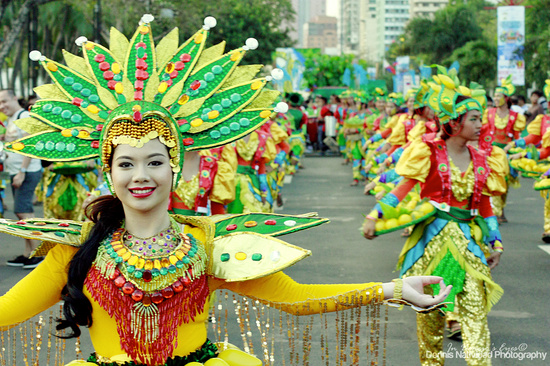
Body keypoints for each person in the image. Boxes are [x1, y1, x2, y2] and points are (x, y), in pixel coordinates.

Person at [0, 16, 451, 366]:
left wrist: (391, 288)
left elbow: (294, 298)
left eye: (155, 162)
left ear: (175, 168)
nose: (141, 175)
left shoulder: (207, 242)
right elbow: (6, 312)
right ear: (110, 173)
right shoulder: (76, 250)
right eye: (126, 164)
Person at [363, 71, 505, 366]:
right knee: (431, 320)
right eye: (474, 119)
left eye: (481, 118)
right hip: (434, 246)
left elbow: (485, 205)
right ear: (454, 122)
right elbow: (401, 190)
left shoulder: (481, 160)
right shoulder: (428, 151)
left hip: (468, 246)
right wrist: (374, 216)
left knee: (476, 313)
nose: (481, 124)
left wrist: (495, 242)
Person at [0, 89, 44, 269]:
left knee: (23, 211)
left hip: (26, 171)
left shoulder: (25, 116)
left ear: (14, 98)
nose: (2, 106)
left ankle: (39, 253)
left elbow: (30, 146)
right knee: (22, 212)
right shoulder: (12, 119)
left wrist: (22, 171)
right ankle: (28, 253)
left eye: (4, 101)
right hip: (15, 171)